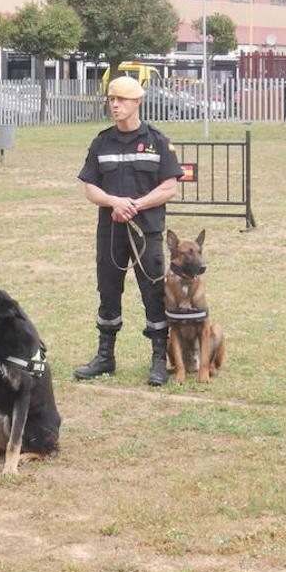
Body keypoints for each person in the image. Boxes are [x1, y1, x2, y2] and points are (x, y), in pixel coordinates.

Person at [74, 76, 182, 386]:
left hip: (145, 231)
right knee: (108, 291)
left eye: (121, 99)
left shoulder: (158, 141)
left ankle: (159, 359)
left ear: (137, 102)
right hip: (110, 232)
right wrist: (113, 202)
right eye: (111, 99)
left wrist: (136, 205)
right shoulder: (101, 141)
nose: (115, 105)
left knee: (153, 294)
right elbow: (90, 187)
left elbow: (169, 187)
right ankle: (105, 357)